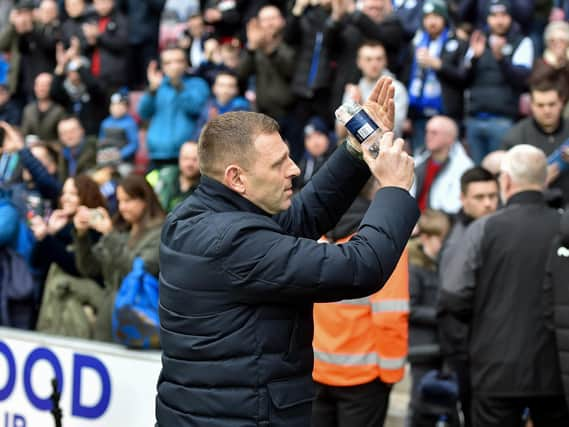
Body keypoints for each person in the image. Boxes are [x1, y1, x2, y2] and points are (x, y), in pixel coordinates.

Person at [156, 77, 419, 426]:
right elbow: (360, 266)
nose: (294, 170)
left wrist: (356, 148)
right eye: (279, 163)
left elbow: (303, 216)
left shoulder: (198, 215)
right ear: (237, 179)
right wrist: (394, 191)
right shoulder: (234, 242)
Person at [438, 144, 569, 426]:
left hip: (494, 366)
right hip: (554, 369)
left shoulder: (484, 228)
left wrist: (482, 316)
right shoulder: (562, 227)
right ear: (544, 179)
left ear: (505, 181)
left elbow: (453, 293)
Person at [312, 178, 410, 427]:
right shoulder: (385, 241)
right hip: (363, 379)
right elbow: (390, 315)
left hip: (316, 371)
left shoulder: (314, 230)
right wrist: (392, 373)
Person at [437, 166, 499, 427]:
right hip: (463, 345)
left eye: (492, 196)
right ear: (463, 199)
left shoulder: (497, 229)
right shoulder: (456, 235)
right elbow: (451, 295)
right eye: (480, 197)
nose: (488, 204)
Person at [73, 174, 164, 341]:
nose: (122, 208)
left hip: (139, 323)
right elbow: (89, 268)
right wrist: (82, 236)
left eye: (128, 201)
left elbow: (136, 270)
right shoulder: (121, 230)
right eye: (119, 201)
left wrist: (109, 234)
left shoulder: (160, 234)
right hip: (107, 320)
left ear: (145, 200)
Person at [464, 0, 534, 164]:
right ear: (487, 18)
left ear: (511, 17)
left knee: (503, 172)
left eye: (503, 15)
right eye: (494, 15)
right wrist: (474, 58)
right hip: (475, 118)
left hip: (503, 120)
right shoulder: (478, 41)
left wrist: (501, 59)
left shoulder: (522, 41)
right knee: (478, 173)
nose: (499, 20)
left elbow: (522, 80)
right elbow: (463, 79)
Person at [407, 208, 451, 427]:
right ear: (425, 237)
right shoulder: (413, 268)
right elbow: (410, 308)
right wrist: (442, 313)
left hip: (441, 346)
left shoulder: (443, 263)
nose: (443, 244)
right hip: (421, 347)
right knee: (420, 403)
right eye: (439, 239)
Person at [138, 45, 209, 168]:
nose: (174, 66)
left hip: (185, 157)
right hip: (156, 154)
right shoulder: (158, 85)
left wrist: (178, 86)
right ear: (163, 67)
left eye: (178, 61)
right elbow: (143, 113)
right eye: (168, 63)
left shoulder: (198, 84)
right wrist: (152, 89)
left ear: (186, 63)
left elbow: (195, 108)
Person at [502, 81, 569, 205]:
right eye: (540, 105)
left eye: (552, 104)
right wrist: (536, 181)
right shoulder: (516, 137)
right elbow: (507, 183)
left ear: (561, 103)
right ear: (531, 105)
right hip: (532, 208)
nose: (547, 110)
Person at [337, 41, 408, 138]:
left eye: (379, 59)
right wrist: (356, 105)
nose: (374, 64)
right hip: (356, 150)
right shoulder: (354, 89)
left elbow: (392, 131)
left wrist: (359, 108)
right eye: (368, 59)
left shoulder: (396, 89)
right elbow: (340, 133)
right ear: (359, 62)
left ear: (385, 61)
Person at [412, 115, 474, 213]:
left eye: (434, 133)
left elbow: (454, 206)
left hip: (439, 222)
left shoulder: (464, 167)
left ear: (450, 138)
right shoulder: (418, 160)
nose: (428, 136)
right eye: (427, 132)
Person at [146, 141, 201, 211]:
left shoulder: (206, 188)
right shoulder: (163, 176)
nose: (189, 164)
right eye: (186, 158)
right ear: (179, 158)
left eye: (195, 159)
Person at [20, 73, 66, 143]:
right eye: (38, 85)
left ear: (52, 87)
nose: (41, 88)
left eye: (45, 85)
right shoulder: (28, 110)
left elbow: (63, 139)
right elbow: (24, 134)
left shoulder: (59, 111)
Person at [293, 116, 335, 191]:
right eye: (309, 138)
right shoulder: (304, 163)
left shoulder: (337, 156)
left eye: (319, 135)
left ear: (327, 137)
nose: (315, 142)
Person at [56, 115, 97, 182]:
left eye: (72, 131)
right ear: (60, 137)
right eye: (64, 133)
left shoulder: (95, 147)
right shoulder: (61, 155)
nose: (69, 136)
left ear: (82, 130)